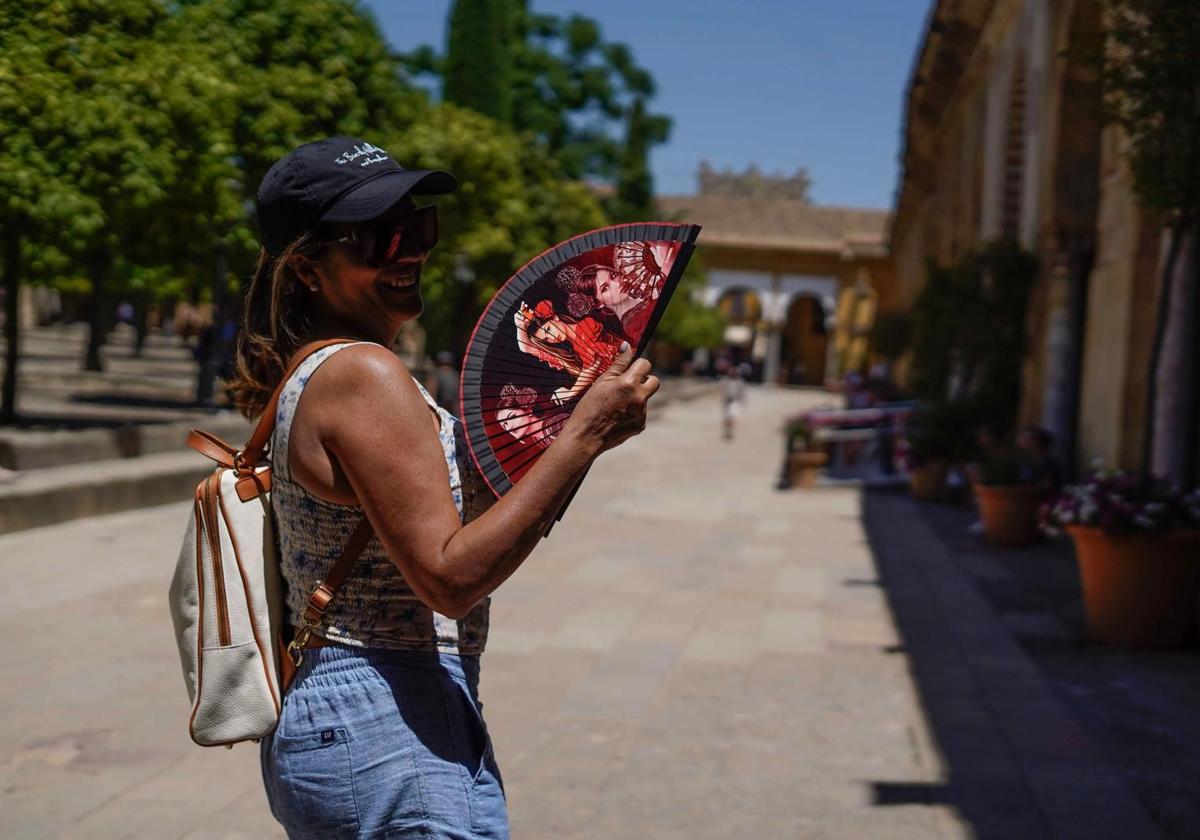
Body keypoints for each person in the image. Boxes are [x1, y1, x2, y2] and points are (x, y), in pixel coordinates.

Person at [229, 137, 657, 839]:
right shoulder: (363, 375)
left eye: (418, 225)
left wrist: (584, 436)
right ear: (307, 267)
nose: (410, 251)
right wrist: (582, 435)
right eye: (377, 237)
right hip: (386, 714)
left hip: (357, 712)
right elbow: (449, 577)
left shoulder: (315, 370)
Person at [430, 349, 460, 413]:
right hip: (452, 408)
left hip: (439, 406)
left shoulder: (436, 373)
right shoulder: (455, 374)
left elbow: (432, 391)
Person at [721, 365, 746, 440]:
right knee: (726, 418)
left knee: (732, 417)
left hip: (734, 401)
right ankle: (727, 430)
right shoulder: (726, 381)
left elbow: (742, 393)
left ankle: (730, 431)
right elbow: (723, 390)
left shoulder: (740, 382)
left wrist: (742, 401)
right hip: (727, 401)